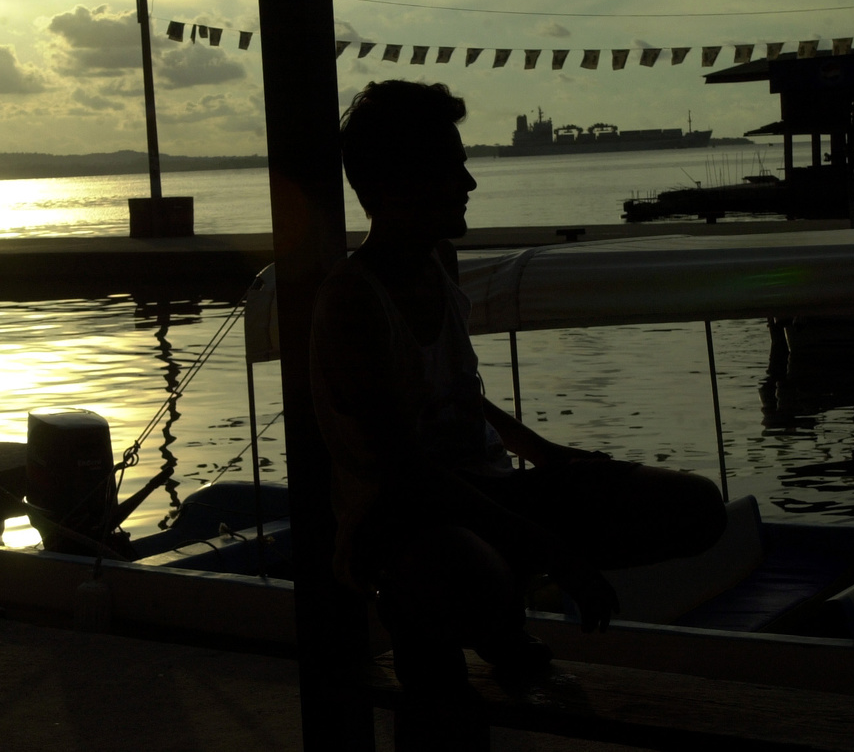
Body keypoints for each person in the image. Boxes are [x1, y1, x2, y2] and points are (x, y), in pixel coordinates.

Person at [309, 79, 726, 743]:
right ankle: (476, 628)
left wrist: (553, 458)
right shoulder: (354, 302)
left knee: (697, 507)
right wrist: (553, 551)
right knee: (466, 577)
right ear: (396, 185)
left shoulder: (438, 261)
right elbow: (407, 471)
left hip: (489, 493)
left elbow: (460, 395)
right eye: (452, 167)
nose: (470, 181)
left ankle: (493, 605)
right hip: (402, 519)